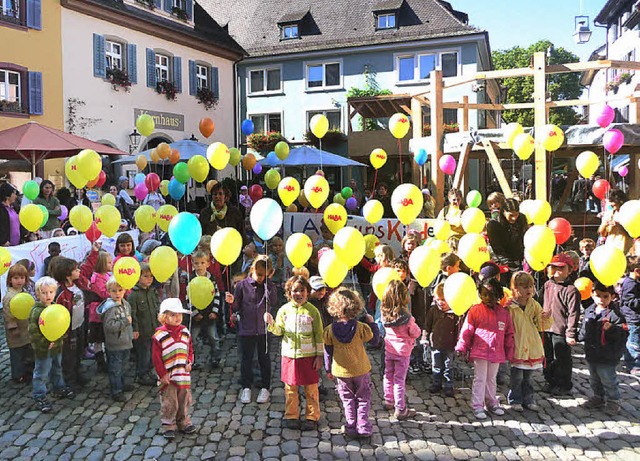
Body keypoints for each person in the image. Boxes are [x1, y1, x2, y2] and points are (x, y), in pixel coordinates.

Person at [265, 276, 323, 430]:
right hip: (290, 356)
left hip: (308, 356)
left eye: (302, 290)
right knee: (290, 388)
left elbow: (318, 334)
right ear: (289, 292)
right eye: (295, 290)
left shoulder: (313, 311)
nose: (298, 293)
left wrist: (319, 355)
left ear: (307, 292)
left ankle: (312, 416)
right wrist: (271, 324)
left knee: (311, 388)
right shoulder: (284, 310)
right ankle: (292, 415)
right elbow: (279, 331)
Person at [323, 287, 379, 439]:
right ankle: (362, 426)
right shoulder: (361, 328)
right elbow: (375, 341)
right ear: (355, 307)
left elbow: (327, 351)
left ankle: (350, 426)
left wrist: (328, 369)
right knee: (363, 398)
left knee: (347, 399)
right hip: (361, 369)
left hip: (341, 372)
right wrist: (372, 323)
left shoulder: (329, 330)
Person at [456, 278, 515, 420]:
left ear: (499, 295)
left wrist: (510, 352)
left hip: (497, 351)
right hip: (480, 351)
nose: (488, 298)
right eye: (485, 294)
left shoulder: (504, 313)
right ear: (480, 295)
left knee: (491, 379)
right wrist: (462, 346)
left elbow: (509, 334)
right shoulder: (475, 311)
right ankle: (477, 405)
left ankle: (491, 402)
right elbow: (468, 329)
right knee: (480, 379)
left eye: (493, 294)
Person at [228, 255, 277, 404]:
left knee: (264, 359)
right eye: (259, 274)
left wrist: (269, 283)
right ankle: (246, 386)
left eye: (265, 275)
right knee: (246, 359)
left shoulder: (269, 285)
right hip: (246, 328)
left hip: (263, 330)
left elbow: (273, 301)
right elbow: (237, 306)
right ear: (252, 270)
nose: (261, 278)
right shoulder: (242, 285)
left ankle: (265, 387)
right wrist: (231, 302)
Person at [51, 241, 100, 388]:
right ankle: (69, 380)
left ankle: (78, 373)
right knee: (69, 356)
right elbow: (58, 315)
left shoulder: (78, 282)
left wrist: (95, 252)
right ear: (67, 274)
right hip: (68, 329)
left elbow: (87, 266)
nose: (78, 270)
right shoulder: (60, 294)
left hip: (80, 323)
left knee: (79, 350)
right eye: (75, 269)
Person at [579, 283, 628, 415]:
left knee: (608, 379)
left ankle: (614, 400)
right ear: (592, 295)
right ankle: (598, 397)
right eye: (598, 296)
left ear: (612, 296)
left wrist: (612, 329)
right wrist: (579, 336)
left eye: (605, 296)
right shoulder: (590, 310)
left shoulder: (616, 314)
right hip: (592, 352)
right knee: (594, 378)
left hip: (608, 355)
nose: (601, 299)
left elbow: (623, 334)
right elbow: (585, 327)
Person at [152, 298, 197, 439]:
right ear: (164, 317)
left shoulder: (185, 331)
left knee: (184, 398)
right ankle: (168, 424)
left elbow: (189, 349)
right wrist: (162, 374)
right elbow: (156, 357)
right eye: (173, 315)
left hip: (182, 373)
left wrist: (189, 361)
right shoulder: (159, 336)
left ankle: (183, 421)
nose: (177, 318)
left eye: (179, 314)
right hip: (169, 375)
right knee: (169, 401)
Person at [29, 277, 75, 413]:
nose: (48, 295)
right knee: (41, 372)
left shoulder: (55, 307)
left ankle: (58, 387)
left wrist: (61, 337)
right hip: (43, 349)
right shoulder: (37, 311)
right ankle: (40, 396)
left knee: (57, 367)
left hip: (57, 346)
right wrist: (44, 343)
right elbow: (33, 332)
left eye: (50, 292)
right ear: (38, 294)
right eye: (44, 293)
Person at [507, 272, 551, 412]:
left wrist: (545, 318)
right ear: (515, 288)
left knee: (529, 377)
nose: (529, 290)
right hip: (518, 345)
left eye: (531, 286)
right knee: (517, 377)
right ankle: (515, 399)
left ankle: (529, 399)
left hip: (532, 345)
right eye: (524, 287)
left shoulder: (534, 304)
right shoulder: (510, 306)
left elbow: (540, 325)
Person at [380, 280, 421, 420]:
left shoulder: (384, 314)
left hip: (389, 349)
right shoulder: (407, 318)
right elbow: (415, 332)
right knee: (399, 380)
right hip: (403, 352)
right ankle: (401, 408)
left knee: (388, 375)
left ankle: (389, 400)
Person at [542, 253, 581, 396]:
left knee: (562, 359)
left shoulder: (571, 290)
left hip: (561, 330)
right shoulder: (547, 285)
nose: (556, 271)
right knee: (548, 357)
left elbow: (573, 313)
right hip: (547, 328)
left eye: (561, 268)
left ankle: (563, 384)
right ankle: (550, 380)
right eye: (553, 267)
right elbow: (542, 303)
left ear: (569, 270)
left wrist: (570, 333)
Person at [97, 277, 134, 402]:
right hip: (115, 343)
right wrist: (124, 322)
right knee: (115, 368)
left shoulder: (125, 304)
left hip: (125, 341)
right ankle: (116, 390)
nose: (117, 293)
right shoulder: (111, 308)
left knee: (123, 366)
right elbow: (110, 326)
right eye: (114, 291)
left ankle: (121, 384)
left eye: (120, 290)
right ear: (108, 291)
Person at [424, 283, 460, 397]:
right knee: (436, 365)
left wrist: (459, 343)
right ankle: (436, 383)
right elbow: (427, 325)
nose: (441, 302)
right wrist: (424, 337)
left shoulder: (455, 313)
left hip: (450, 345)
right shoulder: (433, 310)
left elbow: (458, 329)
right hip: (436, 343)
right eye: (438, 299)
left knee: (448, 366)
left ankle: (448, 385)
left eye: (443, 299)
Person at [188, 250, 222, 369]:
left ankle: (215, 358)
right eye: (197, 263)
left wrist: (215, 311)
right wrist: (195, 312)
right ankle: (193, 360)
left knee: (213, 337)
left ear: (208, 264)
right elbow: (189, 297)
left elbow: (216, 295)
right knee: (193, 339)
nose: (199, 266)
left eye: (202, 263)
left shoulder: (211, 278)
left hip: (209, 313)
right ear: (193, 264)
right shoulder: (191, 278)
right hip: (197, 316)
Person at [128, 263, 160, 385]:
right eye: (146, 276)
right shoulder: (134, 295)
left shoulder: (152, 291)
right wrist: (135, 329)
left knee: (152, 353)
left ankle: (148, 372)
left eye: (151, 276)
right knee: (143, 354)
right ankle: (141, 374)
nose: (149, 279)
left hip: (153, 329)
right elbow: (133, 314)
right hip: (142, 331)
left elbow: (156, 307)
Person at [2, 263, 34, 384]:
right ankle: (18, 375)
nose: (19, 281)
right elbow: (7, 314)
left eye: (22, 278)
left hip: (26, 327)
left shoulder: (24, 292)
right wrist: (12, 327)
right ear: (10, 280)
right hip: (16, 331)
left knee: (27, 351)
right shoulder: (9, 297)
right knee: (17, 354)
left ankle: (28, 371)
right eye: (16, 278)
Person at [87, 250, 112, 374]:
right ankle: (100, 361)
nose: (111, 264)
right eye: (108, 262)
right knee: (98, 338)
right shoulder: (96, 278)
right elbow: (103, 293)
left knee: (105, 337)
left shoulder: (107, 275)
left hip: (106, 310)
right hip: (98, 313)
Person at [486, 198, 527, 271]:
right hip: (499, 260)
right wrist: (510, 266)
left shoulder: (521, 219)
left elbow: (523, 240)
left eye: (516, 215)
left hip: (517, 257)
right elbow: (497, 249)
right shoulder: (494, 224)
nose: (514, 218)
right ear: (503, 212)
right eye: (511, 215)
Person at [620, 256, 640, 375]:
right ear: (637, 271)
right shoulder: (630, 284)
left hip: (634, 317)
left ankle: (629, 361)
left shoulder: (633, 282)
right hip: (633, 318)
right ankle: (634, 365)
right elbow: (629, 300)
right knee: (634, 342)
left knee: (631, 340)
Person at [598, 190, 633, 254]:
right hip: (610, 250)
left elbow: (633, 233)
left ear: (620, 201)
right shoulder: (609, 214)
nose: (610, 205)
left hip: (625, 249)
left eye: (612, 202)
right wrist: (604, 225)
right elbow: (602, 233)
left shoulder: (630, 212)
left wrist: (619, 225)